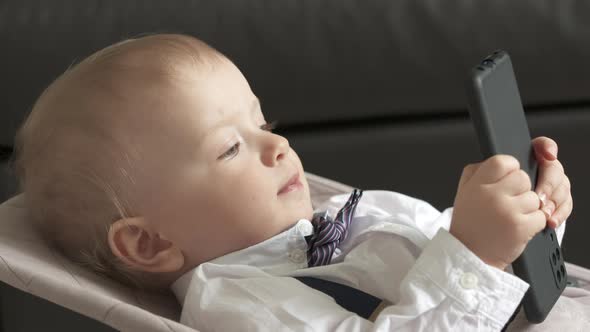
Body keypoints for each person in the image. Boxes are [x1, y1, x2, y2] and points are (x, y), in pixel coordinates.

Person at [12, 34, 576, 331]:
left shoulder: (351, 213)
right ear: (149, 242)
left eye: (263, 124)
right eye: (231, 147)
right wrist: (475, 254)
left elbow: (473, 256)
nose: (278, 146)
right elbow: (464, 272)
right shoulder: (237, 305)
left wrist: (532, 216)